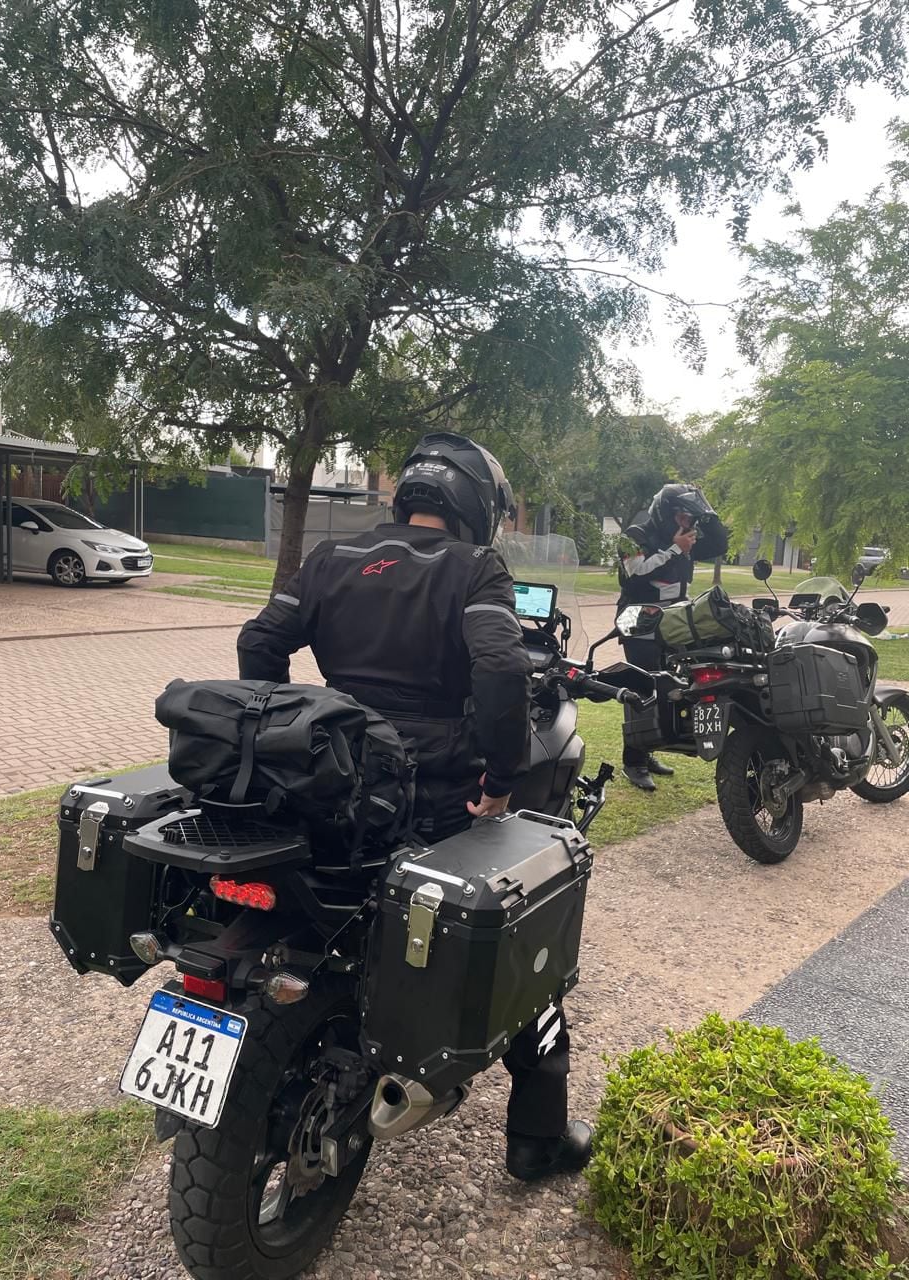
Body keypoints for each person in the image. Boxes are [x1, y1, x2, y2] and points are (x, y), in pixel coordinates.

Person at [237, 431, 593, 1182]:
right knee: (524, 931)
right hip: (436, 794)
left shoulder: (329, 558)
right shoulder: (475, 568)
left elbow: (259, 642)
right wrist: (500, 779)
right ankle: (536, 1139)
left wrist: (298, 727)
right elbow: (501, 668)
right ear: (476, 506)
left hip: (333, 780)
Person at [616, 483, 728, 791]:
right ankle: (634, 762)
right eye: (681, 516)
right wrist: (676, 549)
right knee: (642, 688)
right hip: (637, 620)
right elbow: (635, 574)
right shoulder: (632, 536)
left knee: (668, 688)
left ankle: (648, 751)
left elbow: (719, 544)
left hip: (673, 621)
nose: (686, 523)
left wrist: (708, 514)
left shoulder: (687, 538)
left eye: (689, 518)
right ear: (665, 514)